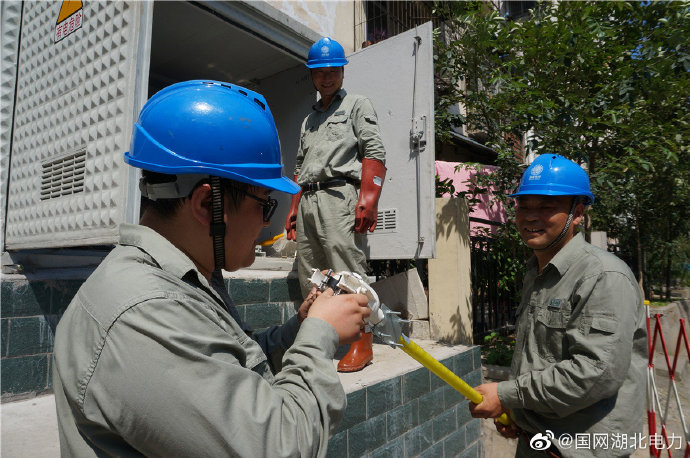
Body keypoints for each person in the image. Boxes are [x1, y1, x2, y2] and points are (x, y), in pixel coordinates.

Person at [52, 80, 371, 457]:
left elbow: (226, 368)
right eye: (263, 203)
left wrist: (298, 331)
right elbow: (282, 446)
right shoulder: (144, 314)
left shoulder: (179, 275)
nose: (266, 223)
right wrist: (321, 334)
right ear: (207, 205)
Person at [469, 154, 647, 457]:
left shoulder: (602, 276)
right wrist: (518, 411)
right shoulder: (536, 272)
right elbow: (540, 357)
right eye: (524, 206)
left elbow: (596, 373)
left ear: (576, 213)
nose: (531, 216)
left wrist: (507, 394)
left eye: (546, 207)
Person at [284, 37, 387, 373]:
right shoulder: (308, 120)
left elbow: (374, 152)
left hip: (340, 196)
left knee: (348, 270)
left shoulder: (357, 105)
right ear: (312, 75)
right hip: (308, 198)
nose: (326, 77)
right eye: (319, 72)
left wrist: (368, 200)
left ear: (342, 71)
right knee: (311, 273)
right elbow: (300, 166)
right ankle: (316, 338)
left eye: (332, 71)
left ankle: (363, 342)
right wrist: (293, 208)